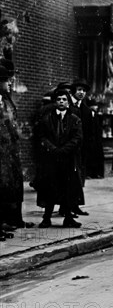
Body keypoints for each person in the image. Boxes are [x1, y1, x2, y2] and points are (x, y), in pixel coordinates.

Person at [36, 88, 84, 228]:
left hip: (68, 159)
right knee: (50, 188)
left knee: (68, 189)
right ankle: (46, 218)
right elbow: (42, 137)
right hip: (51, 160)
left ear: (68, 102)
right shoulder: (47, 119)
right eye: (58, 99)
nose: (61, 102)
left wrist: (64, 150)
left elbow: (77, 138)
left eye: (64, 99)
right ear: (55, 102)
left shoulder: (75, 119)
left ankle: (68, 217)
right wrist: (53, 149)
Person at [0, 60, 34, 234]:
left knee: (13, 186)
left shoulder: (6, 100)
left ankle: (13, 219)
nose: (10, 83)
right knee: (4, 186)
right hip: (2, 151)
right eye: (7, 80)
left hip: (10, 151)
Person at [69, 78, 92, 216]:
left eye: (83, 91)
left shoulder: (86, 109)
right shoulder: (69, 106)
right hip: (70, 148)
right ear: (73, 91)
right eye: (79, 90)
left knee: (79, 178)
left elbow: (89, 131)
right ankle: (66, 207)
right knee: (70, 178)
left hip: (81, 149)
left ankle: (75, 205)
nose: (81, 93)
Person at [86, 99, 105, 178]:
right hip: (90, 139)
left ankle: (96, 173)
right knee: (90, 157)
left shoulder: (97, 115)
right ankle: (88, 173)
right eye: (94, 105)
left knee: (96, 157)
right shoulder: (87, 115)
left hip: (96, 140)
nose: (96, 107)